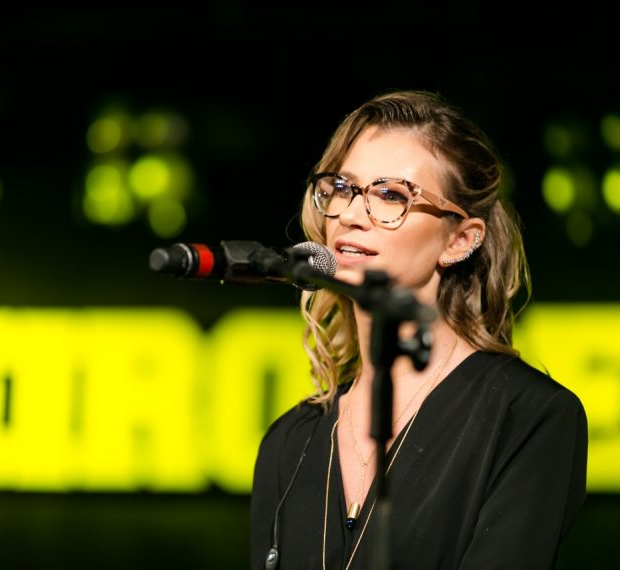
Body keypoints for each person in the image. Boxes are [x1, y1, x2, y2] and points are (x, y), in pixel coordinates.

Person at [249, 89, 588, 569]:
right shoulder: (291, 441)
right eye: (342, 188)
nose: (349, 215)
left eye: (391, 196)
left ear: (460, 240)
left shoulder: (526, 416)